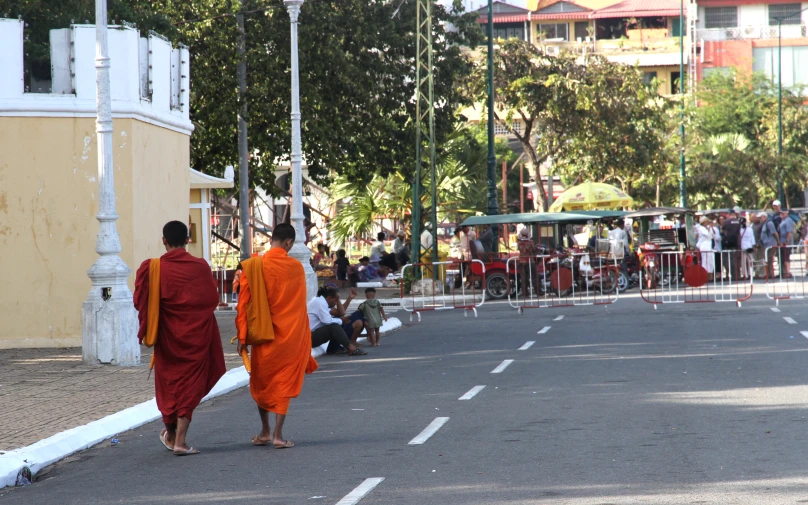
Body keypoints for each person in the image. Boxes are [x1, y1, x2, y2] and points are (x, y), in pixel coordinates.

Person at [134, 221, 226, 456]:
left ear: (163, 240)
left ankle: (171, 434)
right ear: (187, 240)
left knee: (169, 385)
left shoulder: (152, 268)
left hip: (167, 338)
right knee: (190, 385)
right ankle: (179, 440)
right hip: (196, 336)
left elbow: (139, 302)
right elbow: (210, 300)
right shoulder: (200, 267)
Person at [235, 223, 319, 449]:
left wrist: (242, 336)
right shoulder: (296, 267)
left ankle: (265, 430)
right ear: (289, 243)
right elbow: (300, 304)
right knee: (283, 383)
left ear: (272, 239)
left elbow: (244, 303)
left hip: (264, 334)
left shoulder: (255, 265)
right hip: (291, 335)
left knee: (263, 382)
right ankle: (278, 435)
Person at [308, 286, 368, 356]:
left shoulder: (321, 302)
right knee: (334, 326)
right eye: (336, 300)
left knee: (338, 320)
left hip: (313, 334)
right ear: (329, 298)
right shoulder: (319, 303)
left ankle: (334, 348)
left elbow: (341, 313)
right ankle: (351, 348)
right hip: (309, 337)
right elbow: (328, 321)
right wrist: (341, 320)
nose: (336, 303)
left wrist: (339, 298)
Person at [758, 211, 779, 279]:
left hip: (770, 244)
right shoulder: (764, 224)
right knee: (767, 259)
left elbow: (774, 233)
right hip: (766, 245)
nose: (759, 219)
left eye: (760, 218)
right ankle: (769, 273)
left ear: (764, 217)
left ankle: (771, 274)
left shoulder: (769, 223)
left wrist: (778, 241)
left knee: (769, 259)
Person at [778, 208, 795, 278]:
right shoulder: (782, 220)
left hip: (786, 242)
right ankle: (785, 271)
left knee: (786, 257)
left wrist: (787, 241)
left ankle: (788, 272)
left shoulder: (788, 220)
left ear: (786, 213)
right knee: (783, 257)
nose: (781, 214)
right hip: (781, 241)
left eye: (783, 213)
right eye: (780, 213)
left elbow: (789, 232)